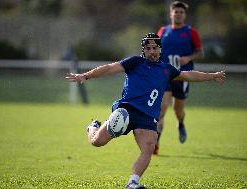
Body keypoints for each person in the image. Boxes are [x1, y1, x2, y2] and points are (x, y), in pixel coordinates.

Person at [65, 33, 225, 188]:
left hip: (147, 117)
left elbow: (189, 75)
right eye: (148, 48)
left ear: (160, 49)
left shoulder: (167, 69)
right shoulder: (134, 62)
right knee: (97, 142)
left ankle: (133, 182)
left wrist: (212, 76)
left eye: (155, 48)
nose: (152, 51)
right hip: (126, 111)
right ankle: (92, 127)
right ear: (144, 50)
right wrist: (85, 76)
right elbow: (108, 68)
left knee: (149, 147)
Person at [155, 1, 204, 154]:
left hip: (183, 76)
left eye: (181, 12)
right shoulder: (163, 31)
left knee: (178, 111)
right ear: (171, 14)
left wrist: (188, 58)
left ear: (185, 15)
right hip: (165, 76)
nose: (178, 14)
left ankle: (181, 123)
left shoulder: (191, 32)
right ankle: (155, 144)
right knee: (162, 109)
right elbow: (154, 50)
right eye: (176, 12)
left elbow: (200, 53)